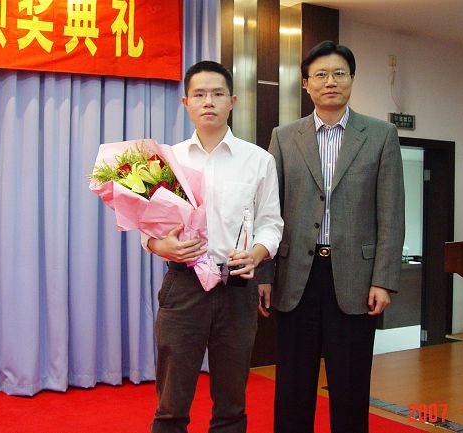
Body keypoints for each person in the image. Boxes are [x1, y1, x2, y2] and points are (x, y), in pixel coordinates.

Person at [266, 40, 405, 433]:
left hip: (356, 280)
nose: (331, 81)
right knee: (292, 387)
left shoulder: (381, 135)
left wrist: (383, 279)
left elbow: (391, 214)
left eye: (339, 73)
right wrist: (265, 276)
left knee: (351, 387)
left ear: (352, 79)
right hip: (296, 277)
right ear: (306, 84)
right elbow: (268, 212)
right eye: (321, 75)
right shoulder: (284, 137)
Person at [142, 60, 283, 433]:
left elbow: (271, 223)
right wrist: (162, 245)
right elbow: (148, 228)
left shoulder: (259, 160)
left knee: (231, 401)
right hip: (183, 285)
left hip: (236, 286)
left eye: (218, 94)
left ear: (232, 101)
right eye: (200, 94)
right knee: (171, 401)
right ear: (185, 102)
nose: (209, 102)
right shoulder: (166, 159)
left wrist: (256, 254)